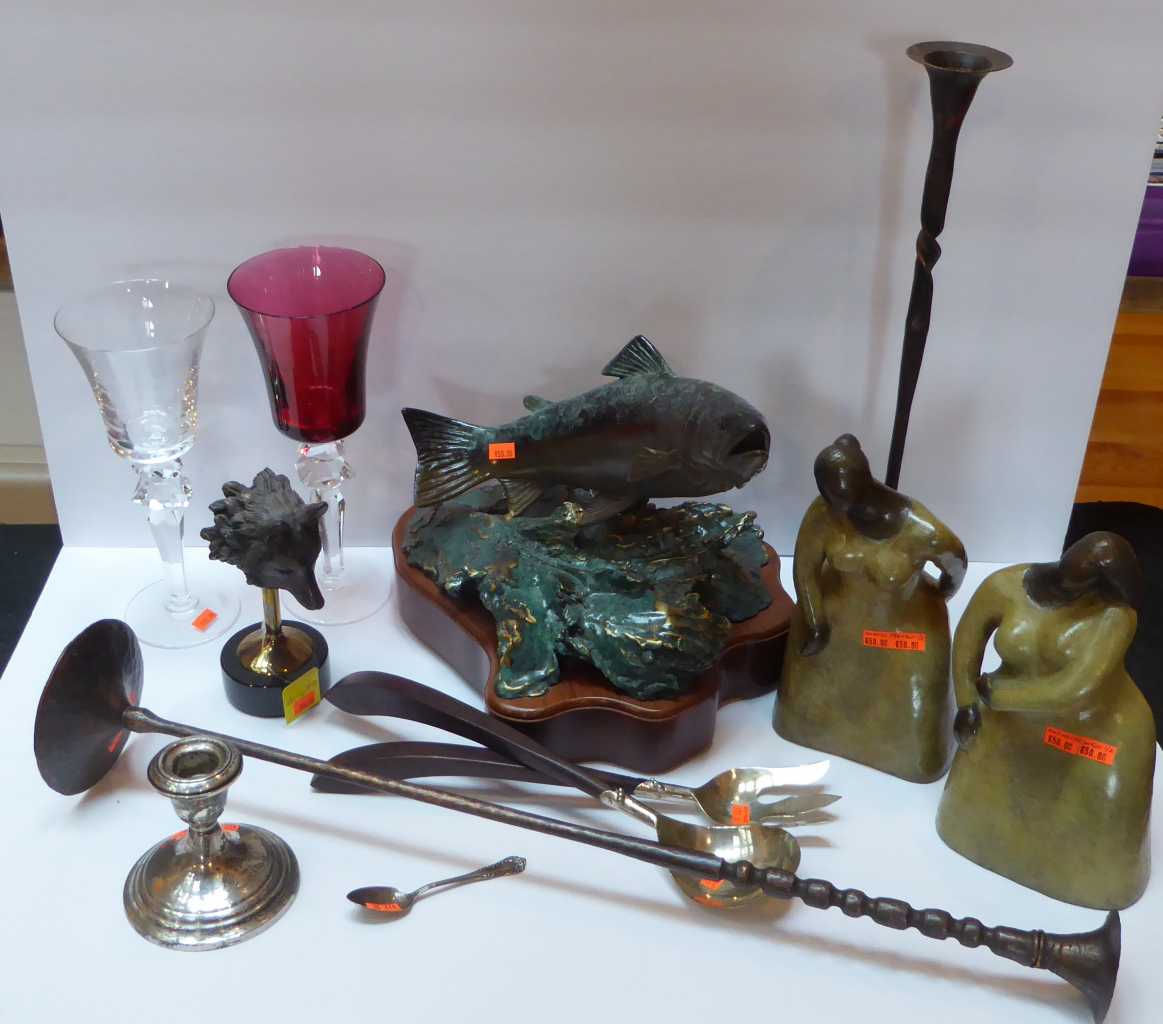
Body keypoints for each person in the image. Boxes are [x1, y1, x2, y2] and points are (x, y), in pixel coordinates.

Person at [936, 532, 1154, 909]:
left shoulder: (1116, 616)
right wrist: (967, 703)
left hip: (1099, 726)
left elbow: (1073, 688)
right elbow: (968, 639)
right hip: (1010, 717)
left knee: (1099, 838)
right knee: (972, 808)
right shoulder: (1005, 585)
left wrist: (996, 695)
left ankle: (1084, 882)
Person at [774, 434, 966, 782]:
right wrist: (816, 621)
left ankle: (904, 755)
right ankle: (812, 728)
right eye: (827, 496)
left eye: (840, 497)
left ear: (863, 484)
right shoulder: (823, 513)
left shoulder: (923, 530)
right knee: (808, 688)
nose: (834, 506)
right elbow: (804, 570)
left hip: (900, 627)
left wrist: (935, 597)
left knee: (916, 702)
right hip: (834, 618)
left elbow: (956, 565)